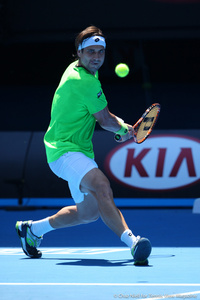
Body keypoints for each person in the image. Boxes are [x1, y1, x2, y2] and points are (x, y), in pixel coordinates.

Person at [15, 26, 151, 264]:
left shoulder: (78, 69)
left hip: (77, 150)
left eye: (101, 52)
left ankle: (32, 230)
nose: (96, 57)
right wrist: (123, 130)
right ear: (79, 52)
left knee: (88, 214)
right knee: (102, 186)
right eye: (90, 52)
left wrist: (121, 128)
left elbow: (102, 116)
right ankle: (133, 242)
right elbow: (106, 120)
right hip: (63, 150)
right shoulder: (85, 82)